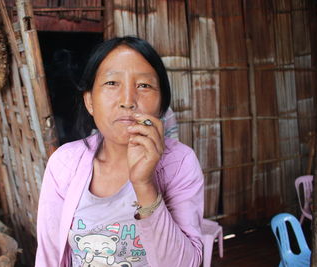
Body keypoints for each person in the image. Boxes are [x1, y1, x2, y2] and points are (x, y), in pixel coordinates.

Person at [35, 36, 204, 267]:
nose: (128, 101)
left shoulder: (181, 162)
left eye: (144, 85)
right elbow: (49, 257)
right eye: (112, 83)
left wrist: (145, 184)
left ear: (162, 105)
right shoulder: (63, 164)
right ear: (90, 102)